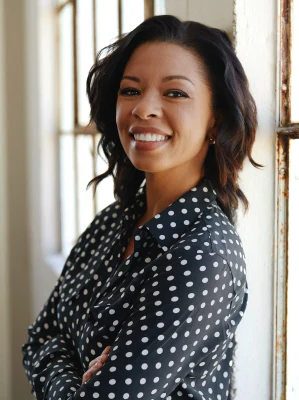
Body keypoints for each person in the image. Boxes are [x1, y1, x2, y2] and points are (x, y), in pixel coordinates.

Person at [22, 14, 262, 400]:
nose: (144, 108)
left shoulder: (204, 255)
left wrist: (64, 369)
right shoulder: (113, 221)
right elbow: (39, 339)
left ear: (215, 120)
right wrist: (77, 381)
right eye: (131, 90)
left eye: (175, 93)